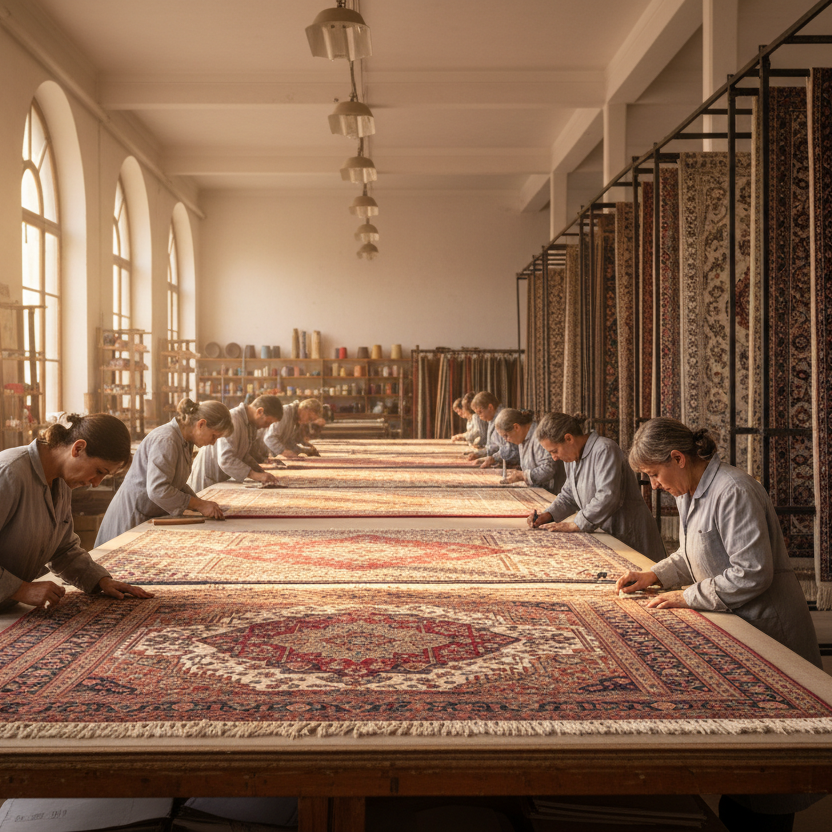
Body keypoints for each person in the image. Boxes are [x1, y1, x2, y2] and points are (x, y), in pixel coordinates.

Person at [617, 416, 823, 831]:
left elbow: (751, 572)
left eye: (654, 475)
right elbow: (693, 553)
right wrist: (655, 575)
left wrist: (687, 596)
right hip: (738, 619)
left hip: (768, 626)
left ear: (678, 458)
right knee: (747, 761)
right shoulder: (689, 489)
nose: (653, 485)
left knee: (772, 766)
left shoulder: (733, 491)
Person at [0, 414, 152, 611]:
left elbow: (63, 550)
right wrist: (21, 590)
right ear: (78, 448)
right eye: (99, 471)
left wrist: (101, 580)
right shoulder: (9, 473)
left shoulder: (60, 481)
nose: (96, 483)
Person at [527, 412, 665, 562]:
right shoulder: (572, 459)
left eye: (554, 451)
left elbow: (608, 496)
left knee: (641, 577)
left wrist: (577, 524)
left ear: (569, 438)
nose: (554, 458)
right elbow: (569, 495)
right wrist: (548, 515)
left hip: (629, 533)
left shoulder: (604, 449)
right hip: (606, 533)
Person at [95, 399, 233, 547]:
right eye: (214, 436)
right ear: (201, 424)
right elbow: (158, 490)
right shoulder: (167, 440)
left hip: (146, 512)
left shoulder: (184, 441)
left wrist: (201, 504)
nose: (213, 443)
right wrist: (198, 504)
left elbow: (176, 483)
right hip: (132, 515)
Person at [188, 395, 283, 493]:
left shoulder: (249, 424)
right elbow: (226, 459)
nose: (267, 427)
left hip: (221, 479)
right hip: (208, 479)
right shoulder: (234, 419)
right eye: (268, 422)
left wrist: (260, 472)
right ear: (260, 412)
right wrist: (254, 475)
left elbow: (243, 455)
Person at [494, 408, 565, 493]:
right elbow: (510, 451)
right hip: (537, 491)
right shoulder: (521, 438)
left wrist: (523, 476)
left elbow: (548, 469)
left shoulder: (539, 436)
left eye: (506, 436)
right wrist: (493, 458)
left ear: (516, 427)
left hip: (552, 493)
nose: (506, 440)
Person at [466, 391, 519, 469]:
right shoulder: (492, 419)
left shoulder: (504, 418)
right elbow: (494, 446)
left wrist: (494, 458)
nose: (479, 417)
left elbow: (512, 448)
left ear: (490, 407)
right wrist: (479, 454)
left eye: (480, 412)